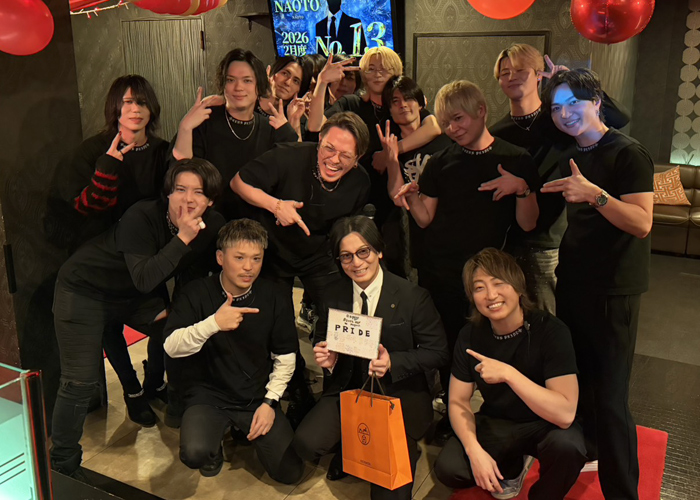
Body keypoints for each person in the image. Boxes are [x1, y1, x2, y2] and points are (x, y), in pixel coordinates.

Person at [51, 159, 226, 478]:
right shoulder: (142, 216)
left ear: (211, 200)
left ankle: (174, 405)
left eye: (198, 192)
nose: (188, 199)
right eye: (180, 189)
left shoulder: (213, 225)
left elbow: (197, 273)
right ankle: (62, 463)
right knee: (79, 381)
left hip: (133, 295)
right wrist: (183, 238)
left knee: (179, 336)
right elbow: (145, 278)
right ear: (168, 193)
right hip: (84, 290)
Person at [394, 80, 540, 441]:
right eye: (445, 123)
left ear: (481, 111)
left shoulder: (516, 159)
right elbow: (425, 218)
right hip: (442, 271)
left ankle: (502, 415)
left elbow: (528, 223)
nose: (452, 129)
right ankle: (452, 410)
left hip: (492, 275)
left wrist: (522, 189)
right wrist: (409, 197)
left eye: (458, 119)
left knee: (498, 343)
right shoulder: (441, 162)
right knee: (446, 343)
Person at [541, 68, 654, 500]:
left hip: (614, 291)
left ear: (597, 102)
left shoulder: (629, 153)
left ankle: (623, 491)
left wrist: (596, 195)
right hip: (573, 283)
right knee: (582, 384)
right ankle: (588, 451)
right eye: (557, 107)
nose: (565, 113)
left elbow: (642, 223)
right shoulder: (570, 153)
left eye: (574, 103)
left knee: (610, 398)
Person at [43, 75, 170, 424]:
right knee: (109, 328)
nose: (135, 109)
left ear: (151, 108)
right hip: (100, 261)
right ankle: (132, 392)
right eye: (127, 102)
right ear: (115, 107)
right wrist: (108, 167)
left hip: (143, 259)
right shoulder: (92, 151)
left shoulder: (161, 150)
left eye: (141, 102)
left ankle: (154, 381)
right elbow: (81, 210)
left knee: (164, 324)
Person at [231, 111, 371, 427]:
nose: (334, 159)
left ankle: (338, 389)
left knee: (340, 313)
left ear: (357, 159)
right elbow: (238, 182)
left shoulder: (360, 181)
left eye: (345, 155)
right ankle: (295, 389)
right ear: (319, 140)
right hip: (275, 250)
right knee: (277, 322)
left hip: (320, 253)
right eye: (329, 148)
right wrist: (275, 205)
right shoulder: (289, 156)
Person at [293, 216, 449, 499]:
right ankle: (350, 446)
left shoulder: (413, 296)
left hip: (396, 396)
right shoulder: (333, 294)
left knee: (389, 496)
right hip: (349, 389)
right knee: (306, 443)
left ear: (378, 250)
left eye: (363, 251)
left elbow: (438, 351)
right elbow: (322, 337)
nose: (356, 263)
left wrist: (393, 362)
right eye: (346, 256)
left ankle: (403, 447)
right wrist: (328, 358)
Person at [433, 248, 586, 500]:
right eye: (479, 288)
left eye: (498, 283)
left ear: (518, 286)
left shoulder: (551, 331)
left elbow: (565, 414)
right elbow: (458, 400)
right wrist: (474, 451)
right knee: (450, 468)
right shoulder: (470, 335)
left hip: (545, 422)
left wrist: (509, 374)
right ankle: (512, 467)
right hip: (498, 422)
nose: (491, 295)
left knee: (569, 447)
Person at [490, 44, 630, 313]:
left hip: (552, 241)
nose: (512, 77)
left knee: (550, 320)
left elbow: (620, 118)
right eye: (504, 72)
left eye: (520, 70)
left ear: (538, 75)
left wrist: (574, 84)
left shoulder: (561, 119)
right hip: (509, 241)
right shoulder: (497, 133)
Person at [163, 219, 304, 483]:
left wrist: (270, 402)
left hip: (255, 396)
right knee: (195, 453)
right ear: (220, 258)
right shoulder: (196, 292)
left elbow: (285, 356)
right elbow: (171, 346)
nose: (248, 267)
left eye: (256, 258)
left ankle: (242, 429)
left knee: (290, 473)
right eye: (239, 258)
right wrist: (213, 324)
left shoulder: (274, 296)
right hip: (208, 395)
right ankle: (214, 446)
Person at [308, 49, 442, 274]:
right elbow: (314, 127)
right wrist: (321, 83)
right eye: (371, 69)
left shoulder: (398, 105)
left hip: (390, 200)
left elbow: (433, 127)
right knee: (345, 261)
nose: (378, 74)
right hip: (350, 196)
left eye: (385, 69)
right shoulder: (351, 103)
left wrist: (391, 152)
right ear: (363, 73)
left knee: (392, 263)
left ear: (396, 72)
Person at [172, 48, 299, 220]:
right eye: (231, 80)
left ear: (259, 86)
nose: (238, 87)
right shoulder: (204, 122)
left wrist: (288, 130)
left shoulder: (270, 128)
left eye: (247, 80)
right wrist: (185, 128)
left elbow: (291, 176)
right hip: (209, 221)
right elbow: (181, 174)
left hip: (257, 224)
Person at [380, 75, 453, 274]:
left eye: (408, 98)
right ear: (389, 109)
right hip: (423, 236)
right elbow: (397, 196)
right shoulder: (390, 145)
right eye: (395, 101)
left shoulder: (444, 136)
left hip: (454, 228)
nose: (403, 105)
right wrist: (391, 158)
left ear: (421, 103)